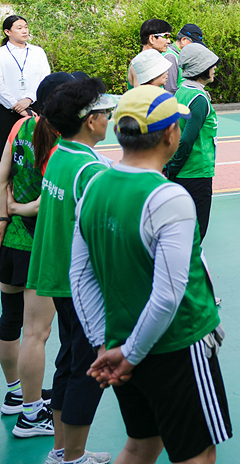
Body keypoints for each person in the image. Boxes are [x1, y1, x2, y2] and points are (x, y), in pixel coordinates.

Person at [69, 85, 231, 464]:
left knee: (142, 443)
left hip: (121, 341)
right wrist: (131, 353)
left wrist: (106, 347)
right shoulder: (168, 197)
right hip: (177, 347)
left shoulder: (95, 184)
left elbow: (80, 276)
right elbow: (169, 295)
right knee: (198, 453)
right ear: (171, 134)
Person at [27, 77, 116, 464]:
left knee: (69, 362)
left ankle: (62, 450)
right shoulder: (90, 170)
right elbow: (104, 237)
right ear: (90, 121)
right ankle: (72, 458)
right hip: (84, 287)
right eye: (104, 112)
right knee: (89, 370)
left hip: (60, 281)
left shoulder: (61, 154)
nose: (109, 117)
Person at [2, 71, 77, 439]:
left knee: (9, 320)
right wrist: (20, 211)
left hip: (9, 243)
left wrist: (6, 214)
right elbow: (48, 199)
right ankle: (32, 415)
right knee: (37, 332)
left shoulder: (19, 128)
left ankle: (16, 395)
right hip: (36, 244)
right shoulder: (56, 140)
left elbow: (3, 175)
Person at [167, 44, 221, 242]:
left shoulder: (181, 91)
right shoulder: (198, 99)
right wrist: (173, 168)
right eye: (211, 65)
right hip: (196, 173)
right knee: (196, 235)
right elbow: (187, 140)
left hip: (184, 174)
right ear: (201, 69)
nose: (214, 68)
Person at [0, 15, 51, 144]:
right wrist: (17, 107)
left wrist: (29, 99)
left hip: (35, 107)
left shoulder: (38, 52)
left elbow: (44, 79)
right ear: (7, 32)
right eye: (19, 28)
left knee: (36, 147)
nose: (25, 31)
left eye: (26, 27)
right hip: (6, 110)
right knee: (7, 149)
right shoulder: (2, 54)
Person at [127, 19, 177, 92]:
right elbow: (142, 98)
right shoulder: (140, 64)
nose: (169, 41)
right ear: (152, 38)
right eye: (166, 36)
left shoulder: (155, 61)